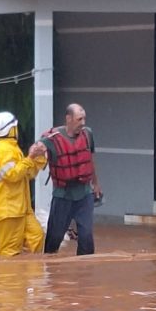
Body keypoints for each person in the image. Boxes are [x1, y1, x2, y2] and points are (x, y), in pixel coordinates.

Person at [35, 103, 102, 255]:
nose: (83, 123)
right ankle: (51, 273)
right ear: (69, 119)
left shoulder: (88, 134)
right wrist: (36, 150)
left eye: (84, 119)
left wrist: (96, 183)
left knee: (86, 238)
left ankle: (84, 274)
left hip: (84, 193)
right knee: (54, 239)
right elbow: (36, 149)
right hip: (62, 195)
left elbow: (91, 159)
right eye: (79, 119)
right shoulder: (51, 139)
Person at [0, 111, 47, 257]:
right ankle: (11, 279)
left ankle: (32, 277)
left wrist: (38, 158)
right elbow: (12, 175)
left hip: (21, 208)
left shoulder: (12, 149)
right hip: (8, 211)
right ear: (11, 129)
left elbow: (26, 173)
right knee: (9, 253)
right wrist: (30, 157)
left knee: (36, 237)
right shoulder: (4, 150)